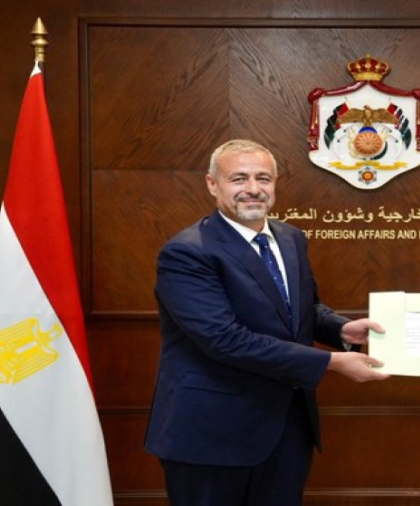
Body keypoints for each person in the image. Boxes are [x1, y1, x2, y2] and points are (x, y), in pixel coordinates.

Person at [144, 139, 389, 506]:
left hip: (286, 429)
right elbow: (223, 339)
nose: (253, 189)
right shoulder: (187, 252)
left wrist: (339, 329)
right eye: (238, 179)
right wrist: (331, 362)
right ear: (213, 184)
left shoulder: (291, 238)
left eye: (263, 178)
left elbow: (302, 308)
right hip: (212, 435)